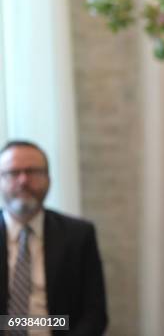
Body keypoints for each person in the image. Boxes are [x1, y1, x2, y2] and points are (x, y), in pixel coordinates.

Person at [0, 140, 107, 335]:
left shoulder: (79, 235)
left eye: (33, 172)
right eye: (13, 173)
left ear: (48, 179)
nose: (23, 180)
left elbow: (95, 314)